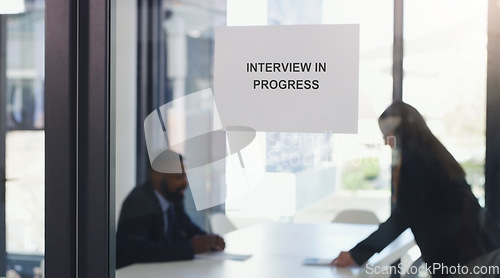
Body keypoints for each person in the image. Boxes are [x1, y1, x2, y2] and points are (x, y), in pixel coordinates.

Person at [331, 101, 500, 277]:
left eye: (387, 134)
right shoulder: (431, 152)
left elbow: (403, 216)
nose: (385, 142)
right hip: (481, 246)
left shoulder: (416, 160)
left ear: (400, 131)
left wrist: (358, 253)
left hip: (469, 254)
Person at [116, 151, 225, 269]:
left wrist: (210, 241)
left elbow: (188, 228)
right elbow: (138, 251)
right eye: (179, 177)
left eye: (185, 176)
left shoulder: (173, 198)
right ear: (156, 175)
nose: (185, 183)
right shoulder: (138, 203)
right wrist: (190, 248)